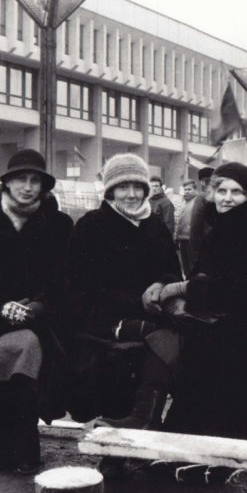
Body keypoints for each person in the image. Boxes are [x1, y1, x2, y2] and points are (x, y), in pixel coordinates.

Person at [0, 149, 73, 475]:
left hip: (41, 318)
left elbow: (65, 275)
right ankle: (8, 437)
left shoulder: (59, 225)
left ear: (44, 187)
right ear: (5, 183)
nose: (28, 187)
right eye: (21, 179)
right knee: (0, 355)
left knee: (26, 352)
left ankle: (23, 437)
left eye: (36, 180)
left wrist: (39, 306)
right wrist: (0, 305)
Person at [65, 153, 182, 476]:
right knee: (127, 356)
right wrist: (134, 302)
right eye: (122, 187)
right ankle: (118, 446)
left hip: (153, 314)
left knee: (166, 340)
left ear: (147, 190)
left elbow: (172, 270)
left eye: (137, 186)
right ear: (110, 191)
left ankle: (142, 427)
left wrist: (161, 284)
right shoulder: (91, 226)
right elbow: (78, 286)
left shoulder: (155, 225)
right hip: (102, 319)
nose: (131, 194)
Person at [157, 162, 247, 440]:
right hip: (222, 322)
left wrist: (180, 288)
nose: (227, 198)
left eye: (236, 192)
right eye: (221, 190)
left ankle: (217, 456)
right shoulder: (221, 226)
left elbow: (237, 288)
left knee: (219, 395)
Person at [185, 167, 215, 275]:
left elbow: (195, 226)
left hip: (203, 243)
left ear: (202, 182)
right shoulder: (222, 195)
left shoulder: (202, 197)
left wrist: (193, 256)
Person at [175, 179, 199, 277]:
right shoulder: (184, 203)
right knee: (185, 267)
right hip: (183, 239)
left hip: (192, 240)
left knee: (193, 267)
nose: (187, 192)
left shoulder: (198, 202)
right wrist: (176, 237)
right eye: (185, 190)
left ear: (195, 189)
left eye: (189, 189)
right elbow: (179, 222)